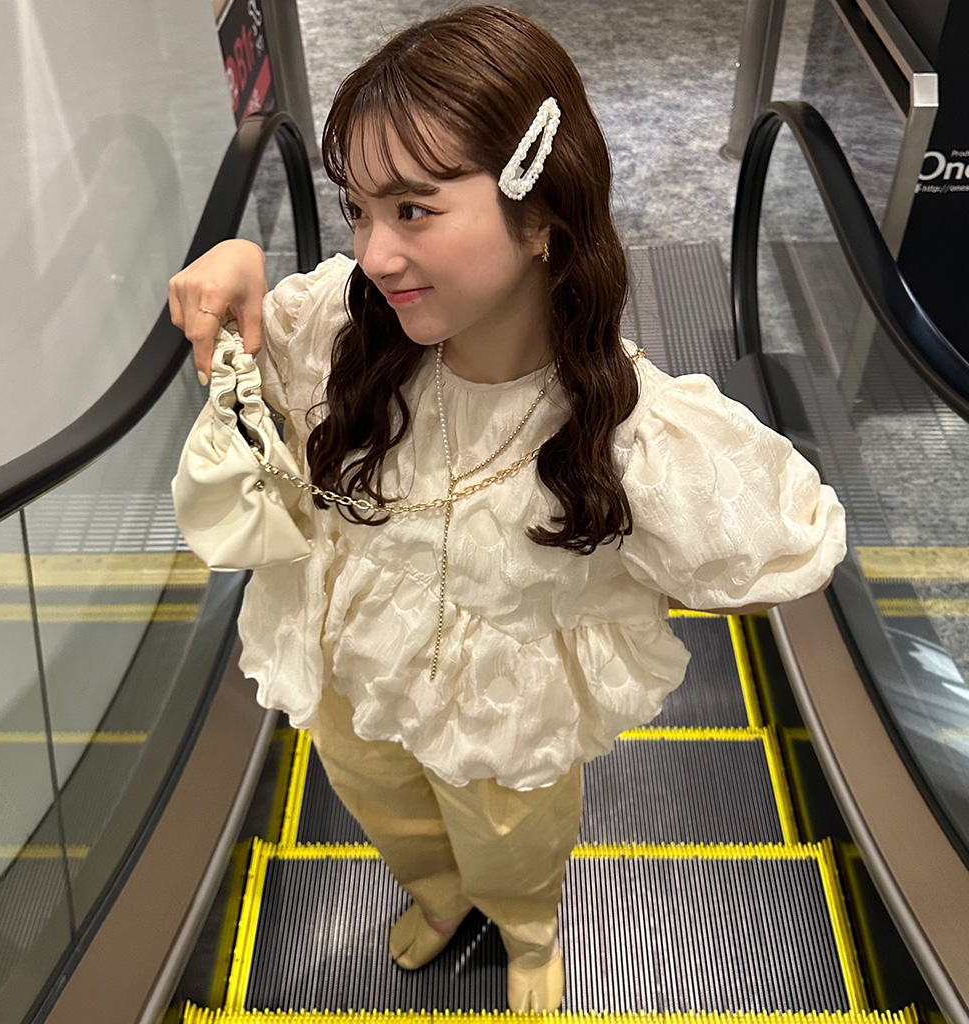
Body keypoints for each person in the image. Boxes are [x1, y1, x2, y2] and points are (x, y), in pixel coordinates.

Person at [169, 5, 846, 1012]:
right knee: (383, 806)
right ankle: (439, 898)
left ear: (540, 215)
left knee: (514, 846)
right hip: (351, 668)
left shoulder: (629, 432)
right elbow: (253, 363)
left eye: (413, 209)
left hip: (503, 713)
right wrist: (233, 256)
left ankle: (528, 930)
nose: (375, 254)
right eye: (358, 210)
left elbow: (789, 551)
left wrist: (642, 571)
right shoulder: (341, 330)